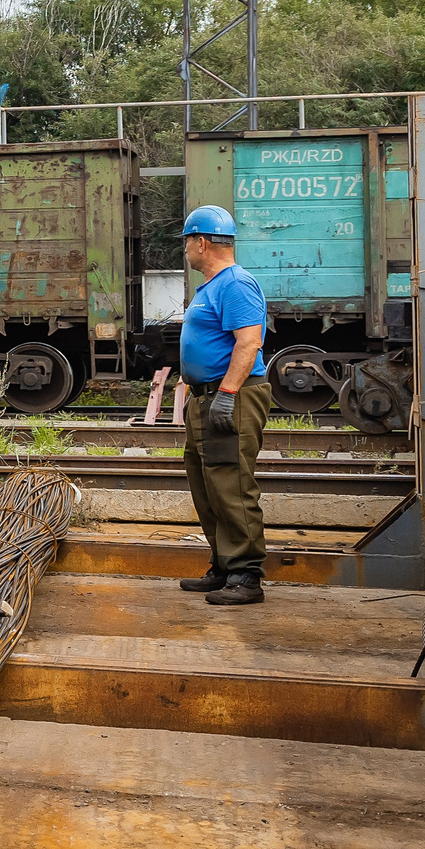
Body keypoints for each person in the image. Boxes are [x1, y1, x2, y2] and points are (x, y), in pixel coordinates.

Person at [176, 205, 272, 606]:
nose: (185, 249)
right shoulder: (212, 286)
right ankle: (223, 565)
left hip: (230, 395)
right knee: (208, 484)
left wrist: (227, 394)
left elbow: (249, 342)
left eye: (186, 241)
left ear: (201, 242)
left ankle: (246, 575)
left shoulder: (235, 284)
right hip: (206, 396)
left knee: (230, 482)